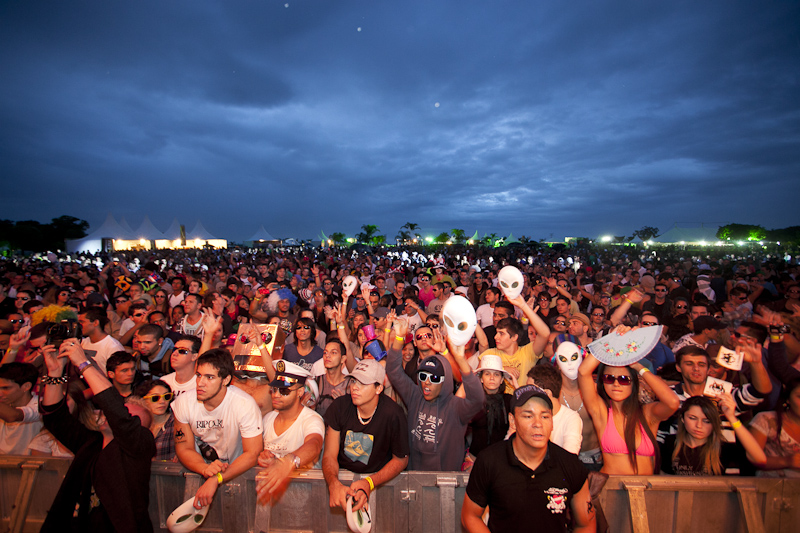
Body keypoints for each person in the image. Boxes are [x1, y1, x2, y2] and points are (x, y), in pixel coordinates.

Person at [39, 338, 155, 532]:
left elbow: (117, 413)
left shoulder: (140, 446)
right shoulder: (91, 443)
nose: (112, 412)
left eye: (128, 413)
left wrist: (84, 364)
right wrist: (55, 372)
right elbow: (55, 418)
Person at [461, 384, 595, 533]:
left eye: (545, 416)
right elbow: (470, 516)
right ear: (512, 421)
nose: (538, 424)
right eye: (528, 416)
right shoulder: (489, 461)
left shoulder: (569, 464)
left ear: (552, 422)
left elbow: (586, 524)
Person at [578, 329, 681, 475]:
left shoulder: (648, 414)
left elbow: (672, 402)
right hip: (611, 489)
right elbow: (583, 372)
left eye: (623, 379)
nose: (616, 384)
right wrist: (612, 339)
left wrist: (639, 367)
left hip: (646, 490)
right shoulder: (601, 412)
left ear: (634, 383)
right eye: (609, 378)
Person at [387, 317, 484, 471]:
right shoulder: (414, 396)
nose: (427, 382)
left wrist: (460, 360)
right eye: (423, 376)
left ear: (444, 381)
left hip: (445, 481)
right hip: (415, 476)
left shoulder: (455, 407)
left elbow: (477, 399)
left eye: (435, 378)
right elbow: (393, 371)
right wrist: (399, 338)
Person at [172, 348, 264, 509]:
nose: (200, 383)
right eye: (199, 375)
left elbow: (253, 453)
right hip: (200, 472)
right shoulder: (184, 402)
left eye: (210, 377)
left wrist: (217, 478)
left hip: (237, 476)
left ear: (226, 379)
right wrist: (205, 469)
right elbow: (183, 447)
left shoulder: (244, 404)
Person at [323, 359, 409, 514]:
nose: (354, 387)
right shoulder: (340, 407)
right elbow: (329, 454)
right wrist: (333, 483)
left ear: (379, 388)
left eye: (363, 383)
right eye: (354, 381)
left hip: (379, 481)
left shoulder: (393, 414)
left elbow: (401, 459)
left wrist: (369, 482)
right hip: (342, 478)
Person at [256, 360, 325, 502]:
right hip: (273, 497)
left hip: (305, 498)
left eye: (284, 391)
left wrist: (289, 461)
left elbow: (315, 444)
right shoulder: (268, 419)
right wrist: (264, 458)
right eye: (274, 390)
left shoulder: (311, 419)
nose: (276, 395)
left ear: (300, 392)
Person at [664, 394, 765, 475]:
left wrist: (732, 418)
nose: (699, 425)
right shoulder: (670, 443)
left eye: (707, 421)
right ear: (682, 419)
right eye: (692, 418)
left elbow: (760, 459)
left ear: (714, 423)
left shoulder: (724, 449)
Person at [459, 354, 513, 470]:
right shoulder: (475, 400)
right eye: (487, 374)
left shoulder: (509, 400)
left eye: (496, 374)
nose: (492, 378)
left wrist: (516, 385)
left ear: (502, 379)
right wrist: (469, 381)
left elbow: (524, 409)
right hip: (475, 461)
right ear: (481, 378)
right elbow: (455, 408)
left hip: (502, 462)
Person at [527, 363, 583, 455]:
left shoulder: (571, 419)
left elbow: (569, 458)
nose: (527, 394)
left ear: (547, 394)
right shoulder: (526, 415)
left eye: (530, 390)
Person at [750, 377, 800, 477]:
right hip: (768, 488)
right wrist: (787, 461)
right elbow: (752, 458)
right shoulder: (765, 420)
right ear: (788, 398)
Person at [0, 362, 43, 455]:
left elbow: (13, 415)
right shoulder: (4, 404)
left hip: (29, 466)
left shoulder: (40, 405)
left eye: (6, 388)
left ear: (26, 386)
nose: (0, 394)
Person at [136, 378, 176, 461]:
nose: (162, 401)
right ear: (143, 400)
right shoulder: (138, 425)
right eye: (155, 398)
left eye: (166, 396)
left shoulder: (177, 423)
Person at [78, 308, 124, 374]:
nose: (79, 325)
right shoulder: (83, 342)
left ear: (95, 323)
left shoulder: (113, 347)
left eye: (82, 322)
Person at [160, 334, 200, 398]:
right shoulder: (164, 381)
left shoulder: (200, 383)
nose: (174, 354)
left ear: (194, 356)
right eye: (174, 349)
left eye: (182, 351)